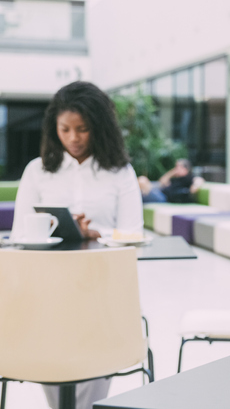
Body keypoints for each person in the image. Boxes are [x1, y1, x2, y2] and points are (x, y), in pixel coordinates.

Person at [11, 80, 143, 409]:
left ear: (98, 127)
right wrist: (63, 230)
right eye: (65, 129)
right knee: (49, 349)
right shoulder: (37, 172)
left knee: (96, 349)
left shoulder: (120, 173)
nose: (73, 138)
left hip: (103, 291)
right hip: (46, 292)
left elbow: (133, 234)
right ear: (54, 128)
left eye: (82, 129)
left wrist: (95, 234)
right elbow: (18, 239)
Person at [138, 158, 205, 203]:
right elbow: (161, 181)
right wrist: (172, 172)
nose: (175, 169)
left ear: (185, 169)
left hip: (164, 198)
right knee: (142, 182)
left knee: (142, 181)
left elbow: (199, 180)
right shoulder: (176, 178)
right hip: (160, 192)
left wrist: (195, 186)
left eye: (178, 167)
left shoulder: (188, 178)